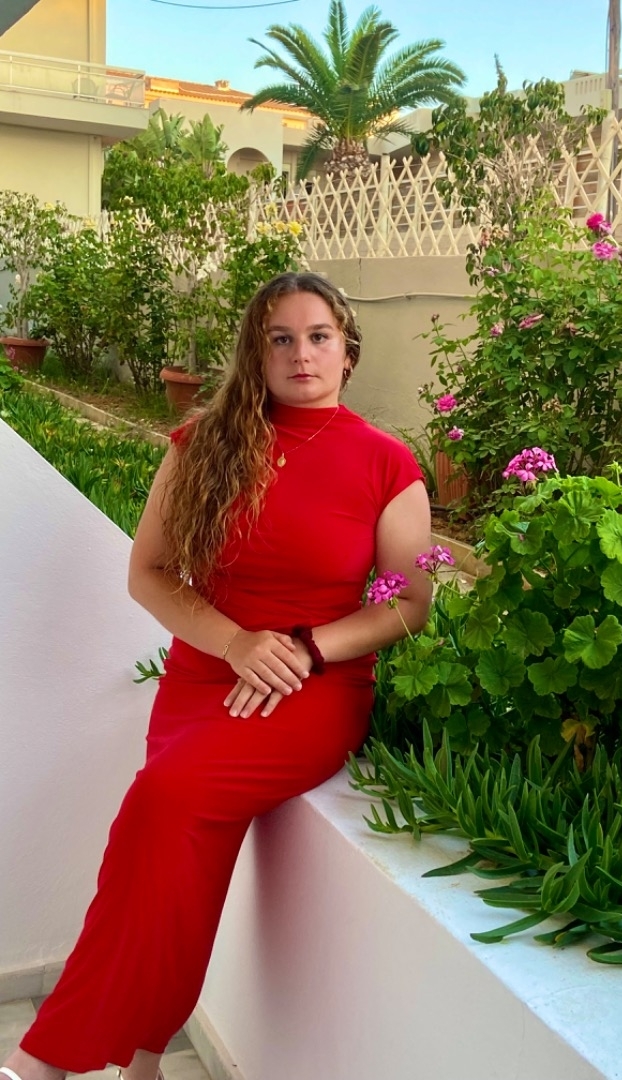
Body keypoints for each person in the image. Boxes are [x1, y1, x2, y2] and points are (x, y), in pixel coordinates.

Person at [1, 272, 432, 1080]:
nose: (301, 354)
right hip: (205, 676)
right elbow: (150, 573)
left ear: (347, 351)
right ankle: (142, 1063)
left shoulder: (386, 462)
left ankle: (42, 1059)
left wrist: (305, 649)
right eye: (280, 339)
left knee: (160, 803)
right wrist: (235, 643)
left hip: (311, 688)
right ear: (255, 353)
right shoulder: (204, 444)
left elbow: (410, 604)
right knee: (178, 864)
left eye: (318, 337)